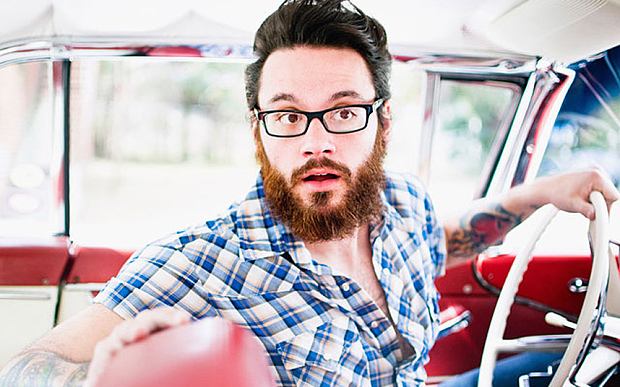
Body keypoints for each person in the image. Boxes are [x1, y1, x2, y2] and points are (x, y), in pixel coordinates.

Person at [0, 0, 618, 386]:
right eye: (289, 115)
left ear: (382, 121)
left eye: (344, 112)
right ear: (259, 130)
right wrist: (102, 380)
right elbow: (29, 366)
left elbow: (443, 238)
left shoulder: (402, 202)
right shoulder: (199, 261)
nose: (315, 142)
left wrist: (536, 195)